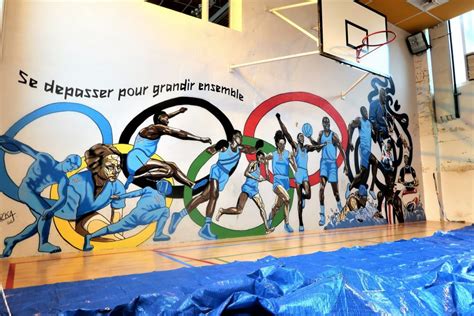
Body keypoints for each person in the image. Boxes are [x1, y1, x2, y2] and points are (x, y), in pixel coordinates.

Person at [168, 131, 261, 240]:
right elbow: (210, 150)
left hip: (224, 176)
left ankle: (179, 215)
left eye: (241, 136)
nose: (241, 138)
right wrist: (215, 148)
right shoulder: (225, 145)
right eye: (239, 136)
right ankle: (206, 228)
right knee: (214, 196)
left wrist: (257, 147)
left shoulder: (240, 149)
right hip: (217, 171)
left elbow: (250, 150)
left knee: (204, 197)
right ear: (234, 137)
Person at [0, 136, 82, 257]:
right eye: (72, 165)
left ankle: (12, 240)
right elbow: (26, 149)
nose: (71, 168)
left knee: (40, 221)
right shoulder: (46, 159)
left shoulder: (62, 179)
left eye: (75, 168)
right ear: (67, 160)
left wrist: (52, 210)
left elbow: (63, 198)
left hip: (35, 194)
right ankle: (43, 244)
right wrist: (11, 141)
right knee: (45, 215)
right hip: (26, 190)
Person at [124, 107, 211, 189]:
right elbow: (177, 132)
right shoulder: (154, 128)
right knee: (169, 170)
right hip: (136, 159)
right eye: (166, 119)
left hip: (141, 158)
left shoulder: (155, 127)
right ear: (159, 118)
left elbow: (166, 116)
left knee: (172, 165)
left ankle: (192, 185)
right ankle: (135, 177)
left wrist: (178, 111)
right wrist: (199, 138)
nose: (168, 121)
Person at [83, 180, 173, 251]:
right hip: (144, 216)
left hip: (134, 215)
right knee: (165, 210)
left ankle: (90, 237)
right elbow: (160, 216)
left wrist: (120, 196)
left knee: (113, 227)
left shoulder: (148, 190)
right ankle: (158, 234)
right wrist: (120, 197)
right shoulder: (162, 201)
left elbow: (133, 194)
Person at [276, 114, 324, 231]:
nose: (302, 138)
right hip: (298, 174)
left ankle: (303, 198)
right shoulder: (295, 146)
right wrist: (279, 120)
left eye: (303, 136)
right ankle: (301, 223)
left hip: (305, 174)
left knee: (308, 195)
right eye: (300, 136)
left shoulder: (306, 147)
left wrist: (323, 145)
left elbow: (316, 147)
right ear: (298, 139)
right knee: (298, 202)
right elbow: (286, 133)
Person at [216, 150, 274, 234]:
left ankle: (267, 229)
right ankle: (222, 210)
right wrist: (257, 179)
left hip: (254, 190)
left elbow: (267, 164)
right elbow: (246, 173)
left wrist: (266, 173)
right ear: (258, 156)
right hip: (247, 188)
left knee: (262, 207)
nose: (263, 159)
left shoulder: (259, 165)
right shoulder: (253, 163)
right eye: (262, 157)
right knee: (239, 210)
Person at [310, 117, 347, 226]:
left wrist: (346, 165)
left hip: (332, 164)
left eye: (328, 122)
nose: (326, 124)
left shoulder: (334, 136)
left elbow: (342, 150)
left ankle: (341, 209)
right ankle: (322, 215)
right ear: (322, 124)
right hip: (324, 164)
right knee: (321, 189)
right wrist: (310, 138)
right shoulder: (321, 134)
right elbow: (317, 148)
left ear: (329, 123)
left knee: (335, 192)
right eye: (325, 122)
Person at [266, 126, 297, 233]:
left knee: (277, 206)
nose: (283, 145)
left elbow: (294, 167)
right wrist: (265, 170)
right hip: (277, 182)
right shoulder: (272, 154)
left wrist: (294, 166)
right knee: (287, 198)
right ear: (277, 144)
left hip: (286, 181)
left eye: (284, 144)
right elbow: (263, 159)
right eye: (280, 144)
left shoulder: (288, 154)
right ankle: (287, 224)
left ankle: (270, 219)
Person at [346, 106, 378, 200]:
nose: (366, 113)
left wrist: (375, 130)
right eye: (364, 112)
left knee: (362, 172)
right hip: (363, 149)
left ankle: (350, 187)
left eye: (366, 112)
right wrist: (350, 141)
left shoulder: (369, 123)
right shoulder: (359, 120)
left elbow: (375, 139)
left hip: (368, 150)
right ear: (362, 113)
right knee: (374, 162)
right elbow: (350, 125)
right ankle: (371, 189)